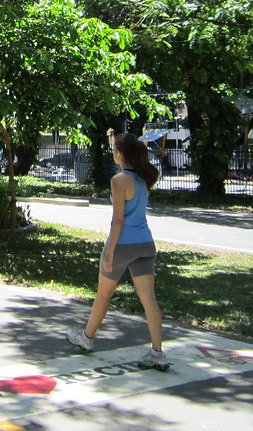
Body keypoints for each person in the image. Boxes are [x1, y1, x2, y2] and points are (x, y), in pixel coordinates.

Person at [65, 131, 168, 371]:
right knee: (149, 301)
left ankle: (87, 338)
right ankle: (157, 353)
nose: (112, 153)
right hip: (145, 244)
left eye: (114, 149)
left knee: (103, 295)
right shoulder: (144, 179)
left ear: (120, 154)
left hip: (122, 244)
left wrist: (110, 252)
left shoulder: (119, 180)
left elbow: (118, 220)